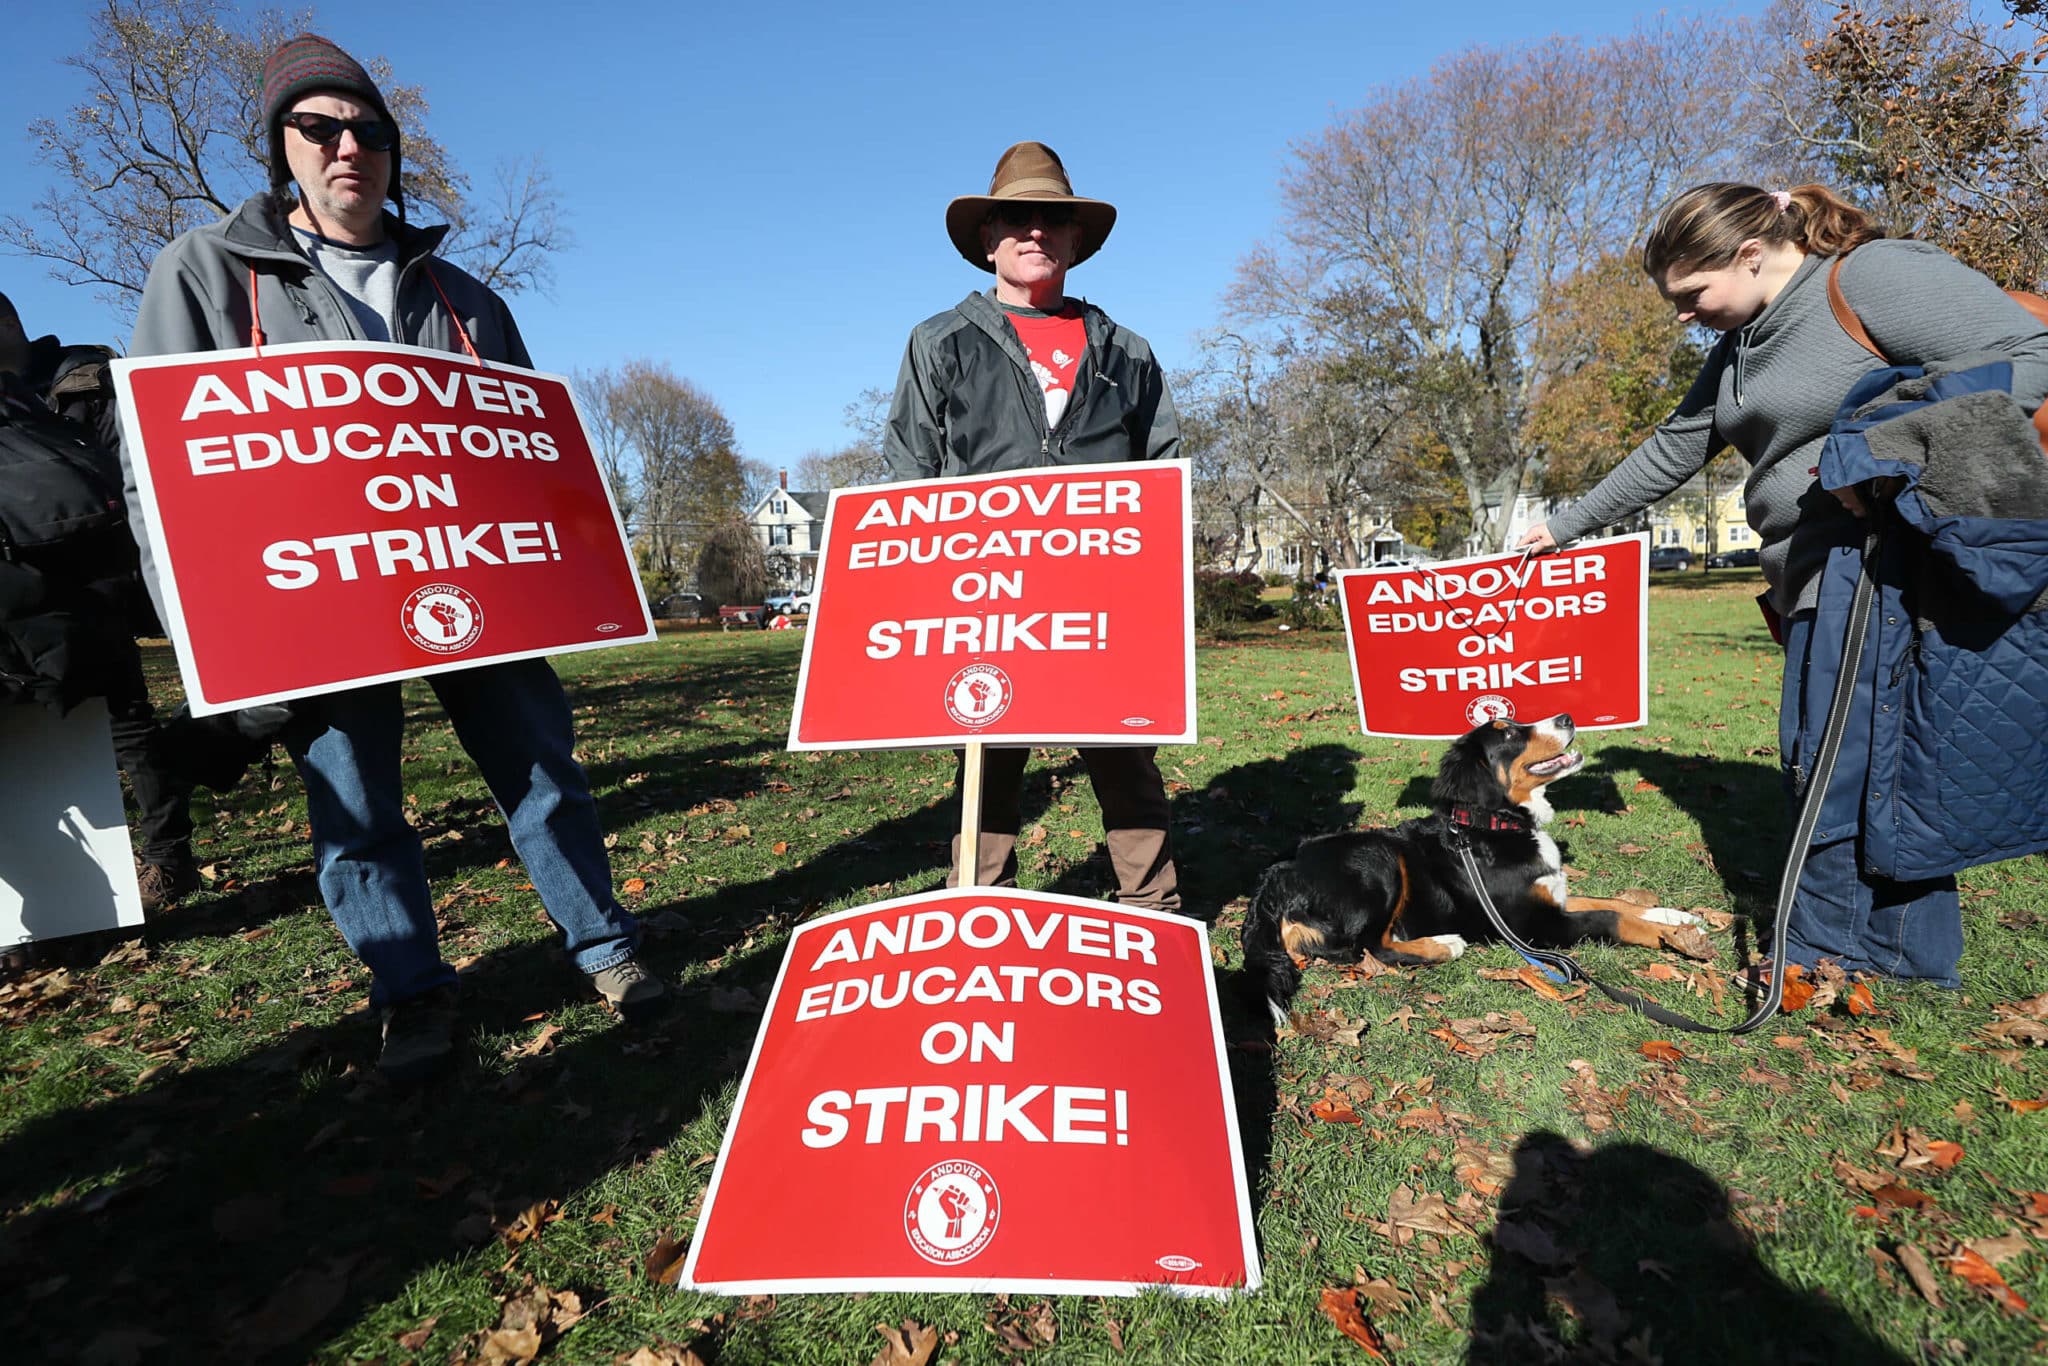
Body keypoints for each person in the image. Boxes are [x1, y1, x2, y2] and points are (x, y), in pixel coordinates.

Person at [123, 34, 668, 1082]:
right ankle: (410, 995)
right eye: (319, 129)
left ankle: (607, 950)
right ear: (280, 146)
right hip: (316, 603)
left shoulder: (464, 295)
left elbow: (524, 451)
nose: (346, 149)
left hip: (476, 583)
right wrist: (203, 630)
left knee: (543, 770)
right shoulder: (200, 272)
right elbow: (164, 466)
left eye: (368, 130)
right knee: (356, 809)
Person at [1516, 181, 2048, 987]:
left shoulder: (1870, 279)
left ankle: (1832, 957)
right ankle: (1892, 957)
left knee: (1846, 761)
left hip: (1884, 558)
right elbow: (1671, 449)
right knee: (1844, 757)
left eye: (1693, 293)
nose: (1684, 316)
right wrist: (1560, 528)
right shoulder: (1739, 348)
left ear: (1751, 252)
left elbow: (2028, 355)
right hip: (1808, 574)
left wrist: (1885, 449)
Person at [883, 141, 1183, 913]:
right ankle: (981, 906)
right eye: (1017, 217)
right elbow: (909, 476)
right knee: (987, 756)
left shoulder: (1128, 352)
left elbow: (1164, 473)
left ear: (1076, 239)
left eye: (1054, 219)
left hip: (1103, 599)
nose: (1035, 231)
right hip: (985, 595)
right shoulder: (939, 342)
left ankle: (1151, 908)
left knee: (1125, 753)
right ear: (989, 237)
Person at [0, 292, 197, 912]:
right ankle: (70, 896)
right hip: (22, 592)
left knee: (127, 728)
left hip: (91, 585)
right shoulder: (81, 377)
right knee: (41, 733)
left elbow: (137, 469)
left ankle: (166, 860)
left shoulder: (83, 383)